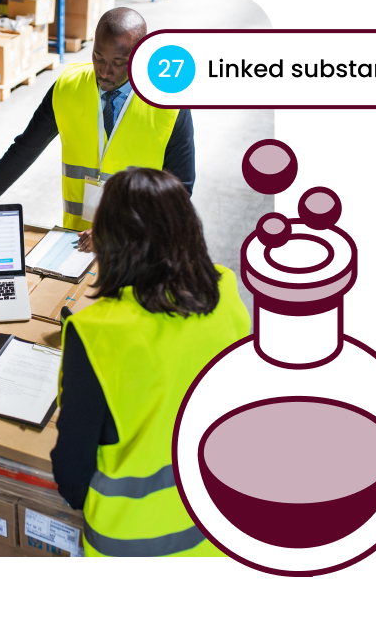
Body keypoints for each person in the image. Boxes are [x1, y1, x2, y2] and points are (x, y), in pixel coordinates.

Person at [50, 167, 251, 557]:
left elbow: (71, 476)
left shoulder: (95, 331)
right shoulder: (226, 290)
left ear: (108, 243)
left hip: (129, 540)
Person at [0, 7, 195, 252]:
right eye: (98, 57)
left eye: (119, 63)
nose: (105, 72)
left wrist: (118, 231)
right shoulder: (67, 88)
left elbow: (181, 189)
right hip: (78, 241)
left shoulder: (169, 104)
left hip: (140, 243)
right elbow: (25, 148)